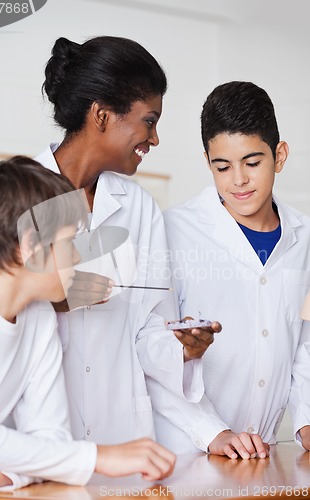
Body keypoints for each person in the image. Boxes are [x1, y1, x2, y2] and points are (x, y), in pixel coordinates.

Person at [36, 35, 221, 448]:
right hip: (39, 433)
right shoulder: (16, 191)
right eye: (149, 121)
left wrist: (182, 348)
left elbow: (149, 328)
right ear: (102, 115)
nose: (154, 139)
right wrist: (55, 297)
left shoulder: (139, 207)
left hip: (123, 434)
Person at [0, 157, 175, 493]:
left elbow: (52, 440)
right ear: (32, 248)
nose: (77, 258)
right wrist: (97, 458)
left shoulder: (39, 317)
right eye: (69, 244)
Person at [160, 81, 310, 458]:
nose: (238, 180)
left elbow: (304, 344)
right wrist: (212, 431)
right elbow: (151, 348)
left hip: (263, 455)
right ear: (207, 161)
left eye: (252, 163)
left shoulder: (304, 238)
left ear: (280, 155)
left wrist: (306, 420)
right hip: (184, 452)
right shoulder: (173, 231)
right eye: (222, 166)